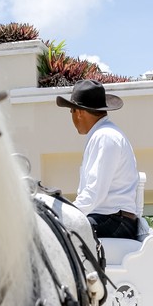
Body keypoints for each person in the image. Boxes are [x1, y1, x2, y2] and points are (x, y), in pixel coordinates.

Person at [56, 79, 140, 239]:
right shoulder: (105, 134)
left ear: (79, 112)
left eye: (71, 111)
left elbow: (94, 193)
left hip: (113, 220)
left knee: (59, 234)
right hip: (112, 218)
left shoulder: (104, 137)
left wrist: (67, 215)